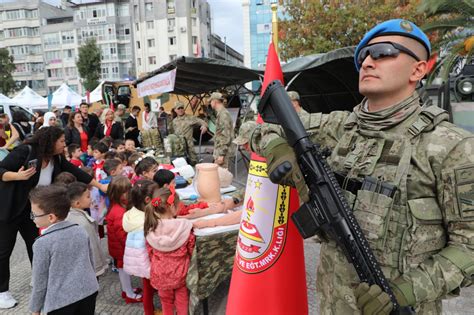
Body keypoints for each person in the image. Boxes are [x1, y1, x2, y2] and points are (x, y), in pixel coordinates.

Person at [252, 19, 474, 314]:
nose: (368, 62)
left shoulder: (451, 146)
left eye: (383, 52)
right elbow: (259, 126)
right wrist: (276, 148)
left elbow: (469, 245)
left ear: (418, 69)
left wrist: (405, 292)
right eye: (364, 57)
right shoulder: (338, 126)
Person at [0, 126, 106, 309]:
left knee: (37, 246)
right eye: (62, 141)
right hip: (9, 208)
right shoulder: (26, 151)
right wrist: (17, 176)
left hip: (34, 210)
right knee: (3, 251)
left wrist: (101, 187)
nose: (64, 145)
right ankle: (2, 291)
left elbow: (77, 172)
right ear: (50, 141)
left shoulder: (56, 158)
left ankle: (41, 282)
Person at [28, 185, 99, 315]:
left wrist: (35, 309)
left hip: (60, 302)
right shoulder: (80, 230)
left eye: (34, 214)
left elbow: (40, 282)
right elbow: (90, 262)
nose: (32, 218)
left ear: (51, 217)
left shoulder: (42, 243)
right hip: (88, 291)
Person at [144, 186, 195, 315]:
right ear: (172, 207)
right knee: (182, 300)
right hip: (180, 273)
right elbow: (191, 248)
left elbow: (149, 252)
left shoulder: (151, 227)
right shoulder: (184, 227)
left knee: (165, 302)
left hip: (160, 274)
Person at [123, 179, 159, 315]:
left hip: (140, 262)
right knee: (156, 289)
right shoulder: (149, 218)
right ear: (148, 199)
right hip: (152, 260)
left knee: (147, 288)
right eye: (157, 196)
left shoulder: (129, 213)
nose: (159, 199)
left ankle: (148, 311)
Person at [106, 176, 143, 304]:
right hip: (121, 248)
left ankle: (127, 290)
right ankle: (129, 294)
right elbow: (122, 235)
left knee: (123, 270)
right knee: (124, 271)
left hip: (118, 247)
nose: (129, 193)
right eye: (126, 191)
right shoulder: (118, 212)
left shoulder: (118, 205)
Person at [66, 182, 107, 277]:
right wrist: (98, 267)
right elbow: (92, 246)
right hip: (88, 268)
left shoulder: (71, 216)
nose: (91, 198)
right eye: (88, 197)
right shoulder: (82, 223)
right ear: (77, 203)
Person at [170, 101, 207, 165]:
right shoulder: (174, 121)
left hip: (189, 147)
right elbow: (172, 134)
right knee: (181, 166)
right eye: (178, 108)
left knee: (194, 163)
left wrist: (204, 126)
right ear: (175, 110)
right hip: (179, 148)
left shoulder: (190, 118)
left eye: (182, 108)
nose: (180, 110)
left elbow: (202, 122)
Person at [209, 92, 235, 169]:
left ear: (215, 101)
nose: (210, 103)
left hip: (223, 152)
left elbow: (225, 135)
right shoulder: (221, 113)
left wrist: (221, 154)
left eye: (211, 101)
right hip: (220, 150)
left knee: (222, 175)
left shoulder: (223, 114)